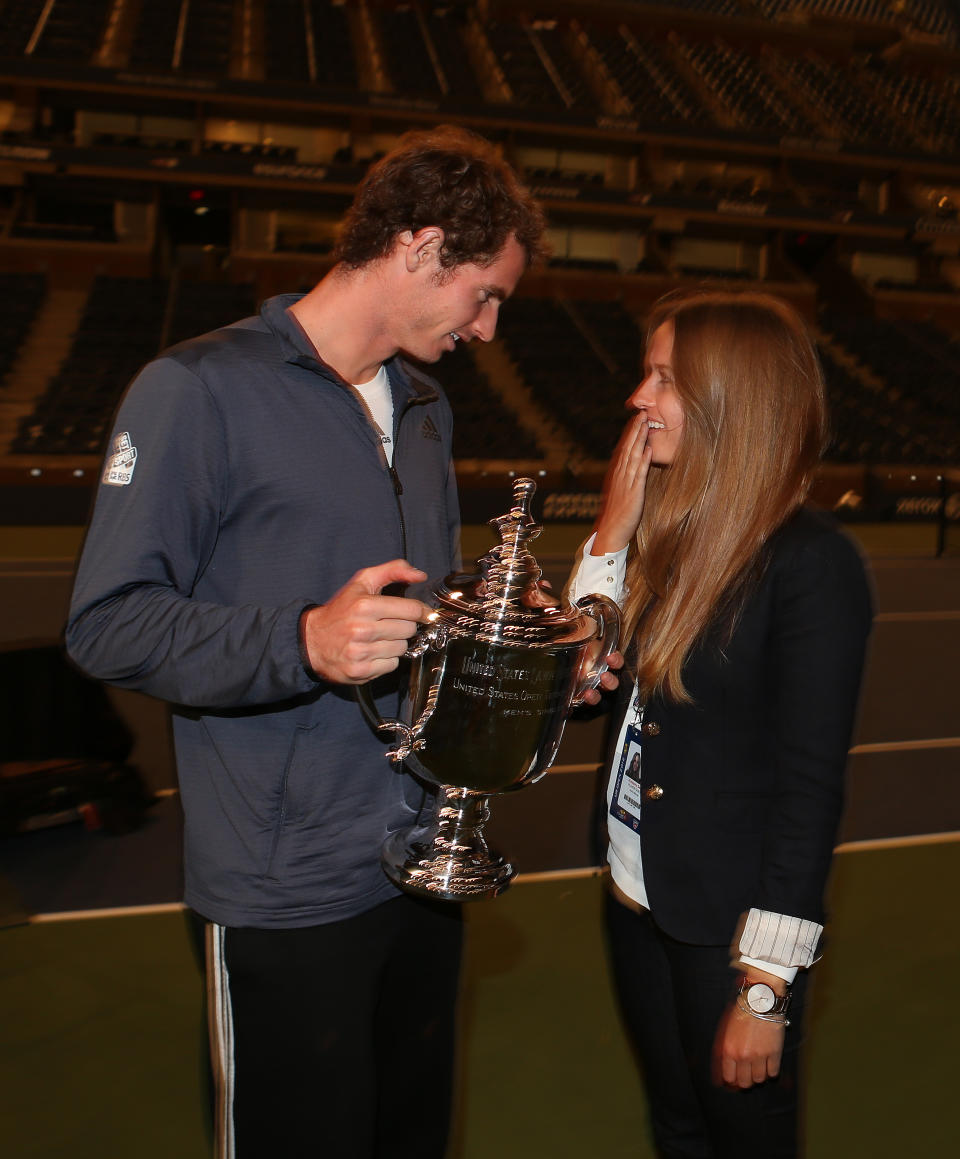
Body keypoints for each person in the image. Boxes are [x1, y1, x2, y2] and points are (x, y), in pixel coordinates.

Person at [65, 125, 546, 1159]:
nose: (491, 327)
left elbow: (414, 614)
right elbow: (108, 620)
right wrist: (303, 641)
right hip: (285, 880)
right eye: (485, 294)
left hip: (422, 858)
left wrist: (513, 637)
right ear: (421, 249)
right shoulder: (197, 389)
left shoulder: (424, 406)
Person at [567, 288, 873, 1158]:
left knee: (745, 1143)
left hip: (730, 938)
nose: (638, 397)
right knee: (676, 1125)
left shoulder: (811, 565)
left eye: (664, 378)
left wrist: (765, 989)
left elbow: (809, 794)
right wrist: (612, 536)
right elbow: (575, 680)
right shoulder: (672, 532)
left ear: (727, 400)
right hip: (636, 895)